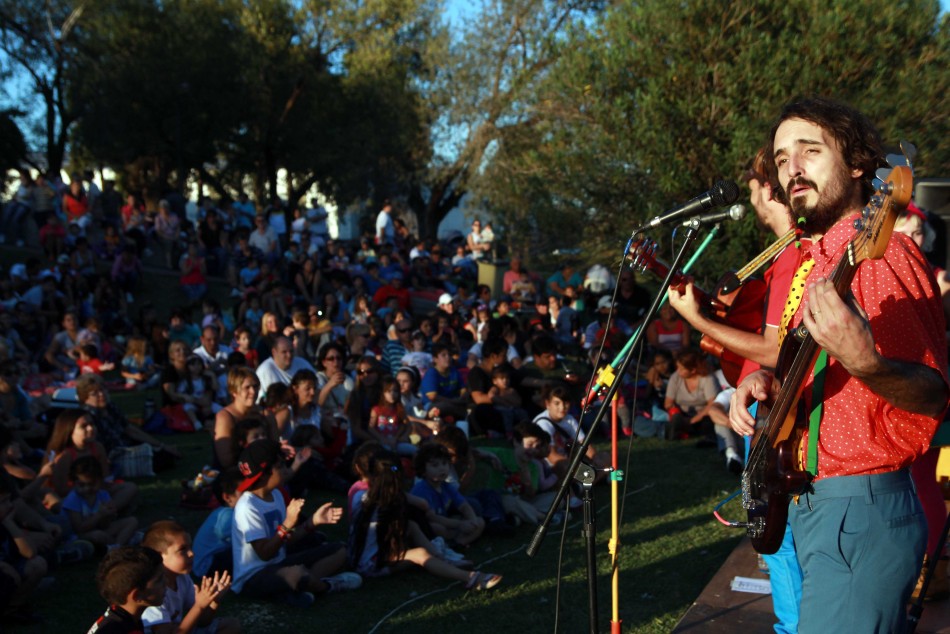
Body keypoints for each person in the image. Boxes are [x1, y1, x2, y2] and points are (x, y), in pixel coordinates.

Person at [729, 97, 948, 633]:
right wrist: (769, 381)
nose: (792, 169)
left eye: (810, 150)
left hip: (860, 509)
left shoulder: (882, 256)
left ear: (856, 166)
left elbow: (933, 394)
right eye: (782, 159)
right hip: (815, 502)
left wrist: (866, 362)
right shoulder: (818, 259)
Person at [231, 439, 361, 605]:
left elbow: (286, 540)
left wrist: (313, 521)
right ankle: (327, 586)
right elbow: (265, 554)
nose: (286, 470)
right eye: (281, 466)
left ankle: (297, 589)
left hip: (279, 563)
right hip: (254, 577)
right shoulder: (247, 507)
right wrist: (287, 524)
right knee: (297, 574)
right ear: (265, 473)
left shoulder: (276, 494)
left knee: (340, 550)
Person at [349, 450, 501, 590]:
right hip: (370, 563)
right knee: (420, 553)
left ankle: (441, 557)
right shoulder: (380, 502)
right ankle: (470, 578)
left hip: (367, 553)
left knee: (412, 526)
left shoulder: (367, 496)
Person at [141, 520, 241, 634]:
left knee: (231, 625)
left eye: (190, 547)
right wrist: (198, 606)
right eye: (182, 550)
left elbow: (202, 622)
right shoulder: (153, 590)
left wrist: (213, 600)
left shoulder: (182, 578)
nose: (191, 553)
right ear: (159, 556)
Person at [410, 443, 485, 547]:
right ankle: (454, 540)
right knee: (436, 528)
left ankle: (458, 542)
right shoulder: (421, 490)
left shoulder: (446, 486)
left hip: (447, 522)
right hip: (427, 525)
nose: (442, 468)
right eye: (435, 465)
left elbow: (463, 505)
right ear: (423, 471)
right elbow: (432, 517)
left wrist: (472, 521)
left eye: (444, 463)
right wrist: (460, 525)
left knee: (479, 521)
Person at [62, 456, 139, 550]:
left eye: (92, 484)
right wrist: (99, 515)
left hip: (99, 529)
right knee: (98, 535)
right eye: (82, 485)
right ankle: (121, 542)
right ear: (74, 483)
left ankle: (117, 546)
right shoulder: (73, 499)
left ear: (100, 481)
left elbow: (105, 525)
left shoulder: (102, 495)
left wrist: (108, 515)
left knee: (132, 521)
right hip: (78, 536)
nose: (87, 488)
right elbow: (79, 529)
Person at [87, 546, 166, 634]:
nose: (166, 582)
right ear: (137, 595)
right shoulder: (118, 629)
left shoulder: (121, 618)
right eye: (159, 580)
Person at [193, 467, 243, 579]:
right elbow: (242, 539)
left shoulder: (227, 512)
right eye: (244, 493)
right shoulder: (227, 515)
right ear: (227, 497)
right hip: (207, 566)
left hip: (212, 560)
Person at [255, 336, 316, 401]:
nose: (289, 355)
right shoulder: (264, 370)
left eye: (291, 351)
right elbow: (261, 400)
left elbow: (318, 385)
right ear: (274, 352)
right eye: (284, 352)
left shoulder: (302, 363)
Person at [368, 375, 416, 456]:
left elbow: (408, 426)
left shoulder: (399, 409)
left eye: (395, 391)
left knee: (415, 450)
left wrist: (402, 437)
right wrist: (381, 439)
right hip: (382, 443)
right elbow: (370, 427)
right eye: (388, 391)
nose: (392, 394)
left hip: (396, 442)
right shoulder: (376, 410)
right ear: (382, 393)